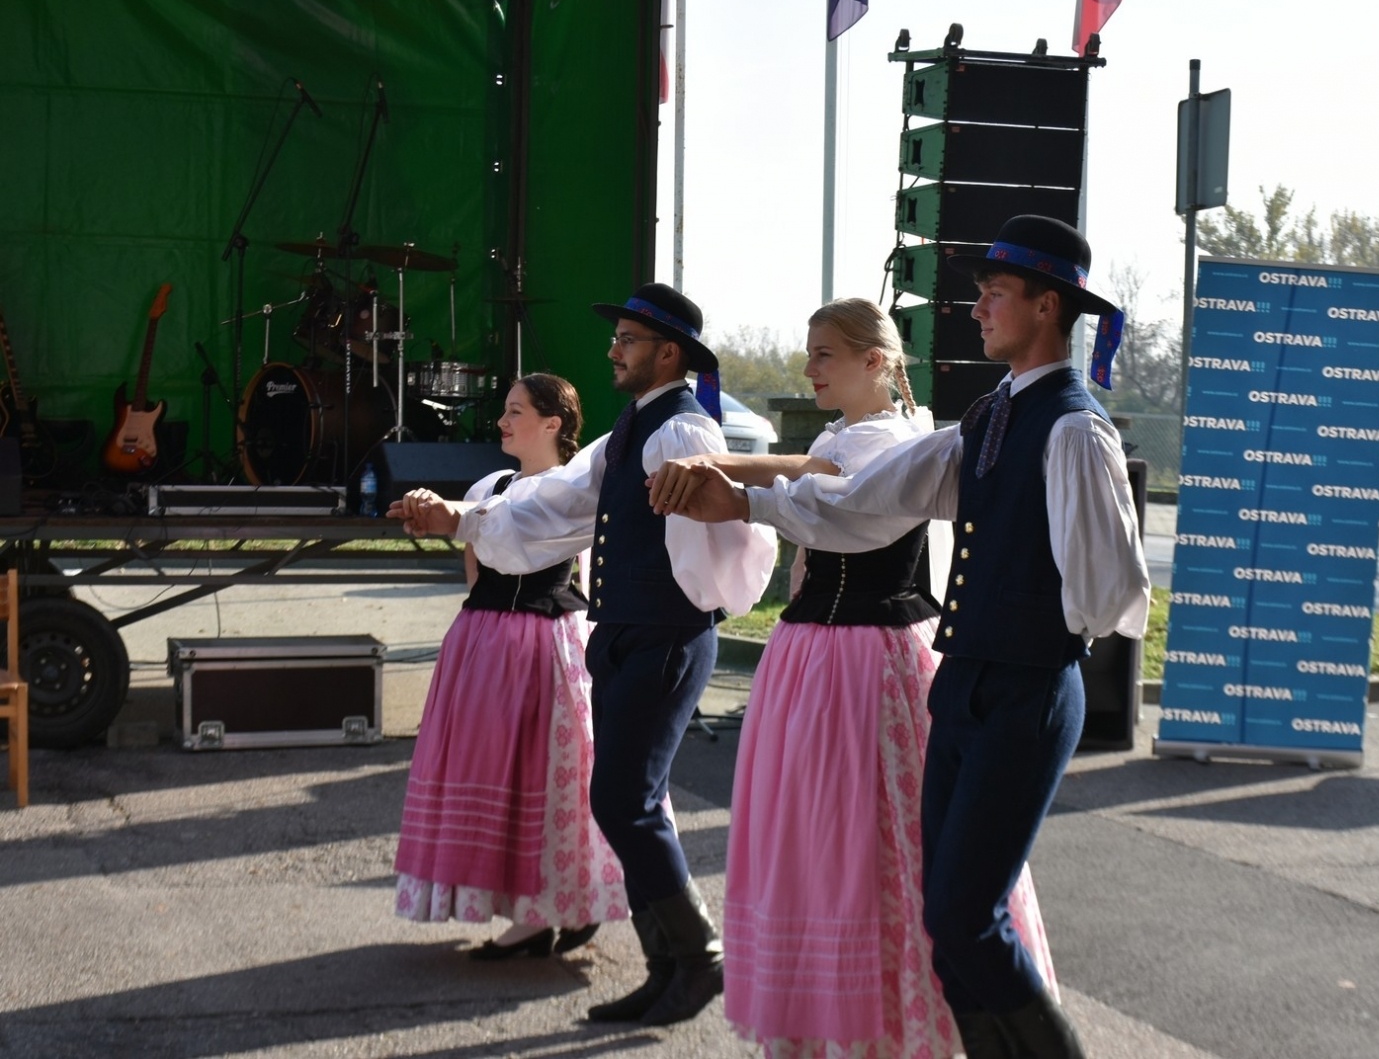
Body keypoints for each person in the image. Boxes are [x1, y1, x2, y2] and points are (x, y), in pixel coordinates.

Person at [659, 217, 1150, 1057]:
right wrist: (748, 501)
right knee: (945, 915)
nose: (980, 307)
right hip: (965, 681)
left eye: (998, 293)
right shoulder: (993, 416)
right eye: (982, 292)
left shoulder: (1072, 427)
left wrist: (1025, 616)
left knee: (967, 912)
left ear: (1047, 305)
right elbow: (871, 499)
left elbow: (1111, 592)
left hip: (1025, 685)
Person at [389, 283, 776, 1028]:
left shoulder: (684, 432)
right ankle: (671, 966)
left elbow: (737, 546)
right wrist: (462, 516)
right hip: (629, 633)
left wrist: (685, 607)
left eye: (627, 338)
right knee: (620, 798)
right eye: (617, 336)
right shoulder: (633, 430)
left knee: (625, 799)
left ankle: (697, 957)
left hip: (664, 634)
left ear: (669, 351)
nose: (612, 349)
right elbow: (557, 501)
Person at [392, 373, 626, 959]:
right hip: (485, 636)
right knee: (493, 772)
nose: (502, 421)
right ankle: (529, 912)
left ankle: (553, 908)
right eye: (504, 410)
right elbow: (477, 565)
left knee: (547, 776)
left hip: (546, 638)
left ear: (553, 424)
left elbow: (561, 556)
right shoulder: (492, 482)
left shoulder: (572, 491)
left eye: (515, 411)